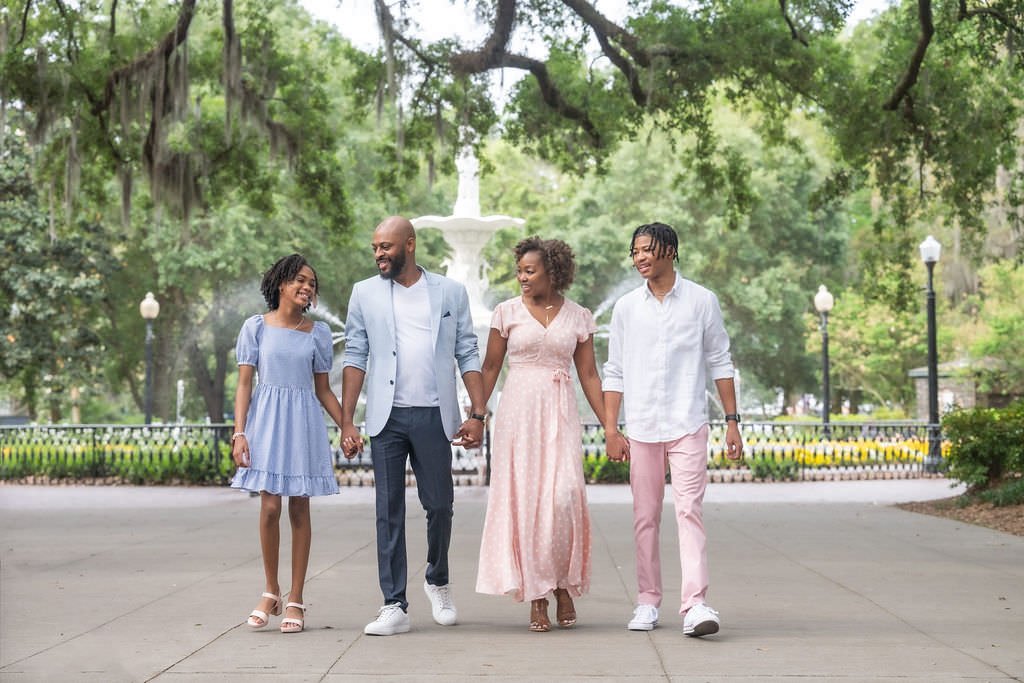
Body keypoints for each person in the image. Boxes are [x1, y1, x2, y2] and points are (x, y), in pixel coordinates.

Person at [340, 216, 487, 636]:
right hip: (387, 418)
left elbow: (466, 351)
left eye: (385, 246)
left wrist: (477, 413)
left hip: (433, 413)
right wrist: (348, 420)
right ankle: (394, 604)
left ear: (410, 243)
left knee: (440, 505)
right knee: (388, 511)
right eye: (374, 248)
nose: (379, 254)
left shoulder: (450, 292)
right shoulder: (364, 293)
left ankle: (437, 579)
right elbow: (355, 355)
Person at [602, 222, 743, 637]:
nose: (641, 257)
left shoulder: (702, 301)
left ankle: (696, 604)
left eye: (648, 249)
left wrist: (732, 423)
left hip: (688, 423)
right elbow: (615, 370)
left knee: (689, 512)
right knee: (644, 516)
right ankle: (647, 601)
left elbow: (720, 361)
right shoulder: (627, 307)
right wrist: (612, 428)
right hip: (642, 426)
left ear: (670, 251)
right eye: (635, 252)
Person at [475, 237, 604, 632]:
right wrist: (476, 416)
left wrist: (611, 427)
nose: (522, 278)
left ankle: (563, 582)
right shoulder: (506, 312)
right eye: (519, 271)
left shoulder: (579, 316)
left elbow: (589, 375)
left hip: (560, 412)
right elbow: (491, 367)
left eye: (529, 271)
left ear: (553, 271)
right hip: (518, 415)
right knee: (526, 503)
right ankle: (536, 593)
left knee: (564, 496)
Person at [231, 253, 343, 634]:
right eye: (299, 279)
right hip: (266, 421)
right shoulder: (255, 328)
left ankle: (295, 597)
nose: (307, 287)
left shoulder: (319, 333)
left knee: (299, 508)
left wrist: (347, 425)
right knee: (268, 507)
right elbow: (245, 384)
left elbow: (324, 390)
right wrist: (239, 432)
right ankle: (270, 590)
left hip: (303, 423)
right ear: (281, 283)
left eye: (312, 283)